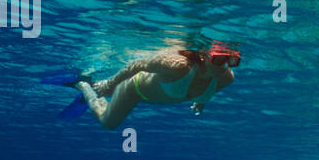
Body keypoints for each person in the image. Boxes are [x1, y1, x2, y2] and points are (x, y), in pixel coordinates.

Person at [46, 42, 238, 129]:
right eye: (220, 60)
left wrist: (201, 102)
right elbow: (138, 64)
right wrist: (110, 85)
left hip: (153, 95)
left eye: (233, 60)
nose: (226, 66)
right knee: (108, 123)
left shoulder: (226, 77)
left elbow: (210, 90)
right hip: (134, 89)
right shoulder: (178, 66)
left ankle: (89, 85)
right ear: (203, 55)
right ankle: (84, 85)